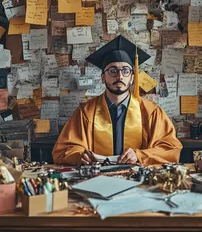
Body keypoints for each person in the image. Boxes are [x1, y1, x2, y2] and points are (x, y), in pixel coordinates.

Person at [52, 35, 182, 166]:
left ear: (132, 77)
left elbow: (171, 149)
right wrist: (80, 156)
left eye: (125, 71)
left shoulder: (152, 112)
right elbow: (64, 149)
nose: (119, 76)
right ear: (103, 77)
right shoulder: (85, 113)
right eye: (113, 71)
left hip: (138, 180)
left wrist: (139, 155)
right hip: (98, 180)